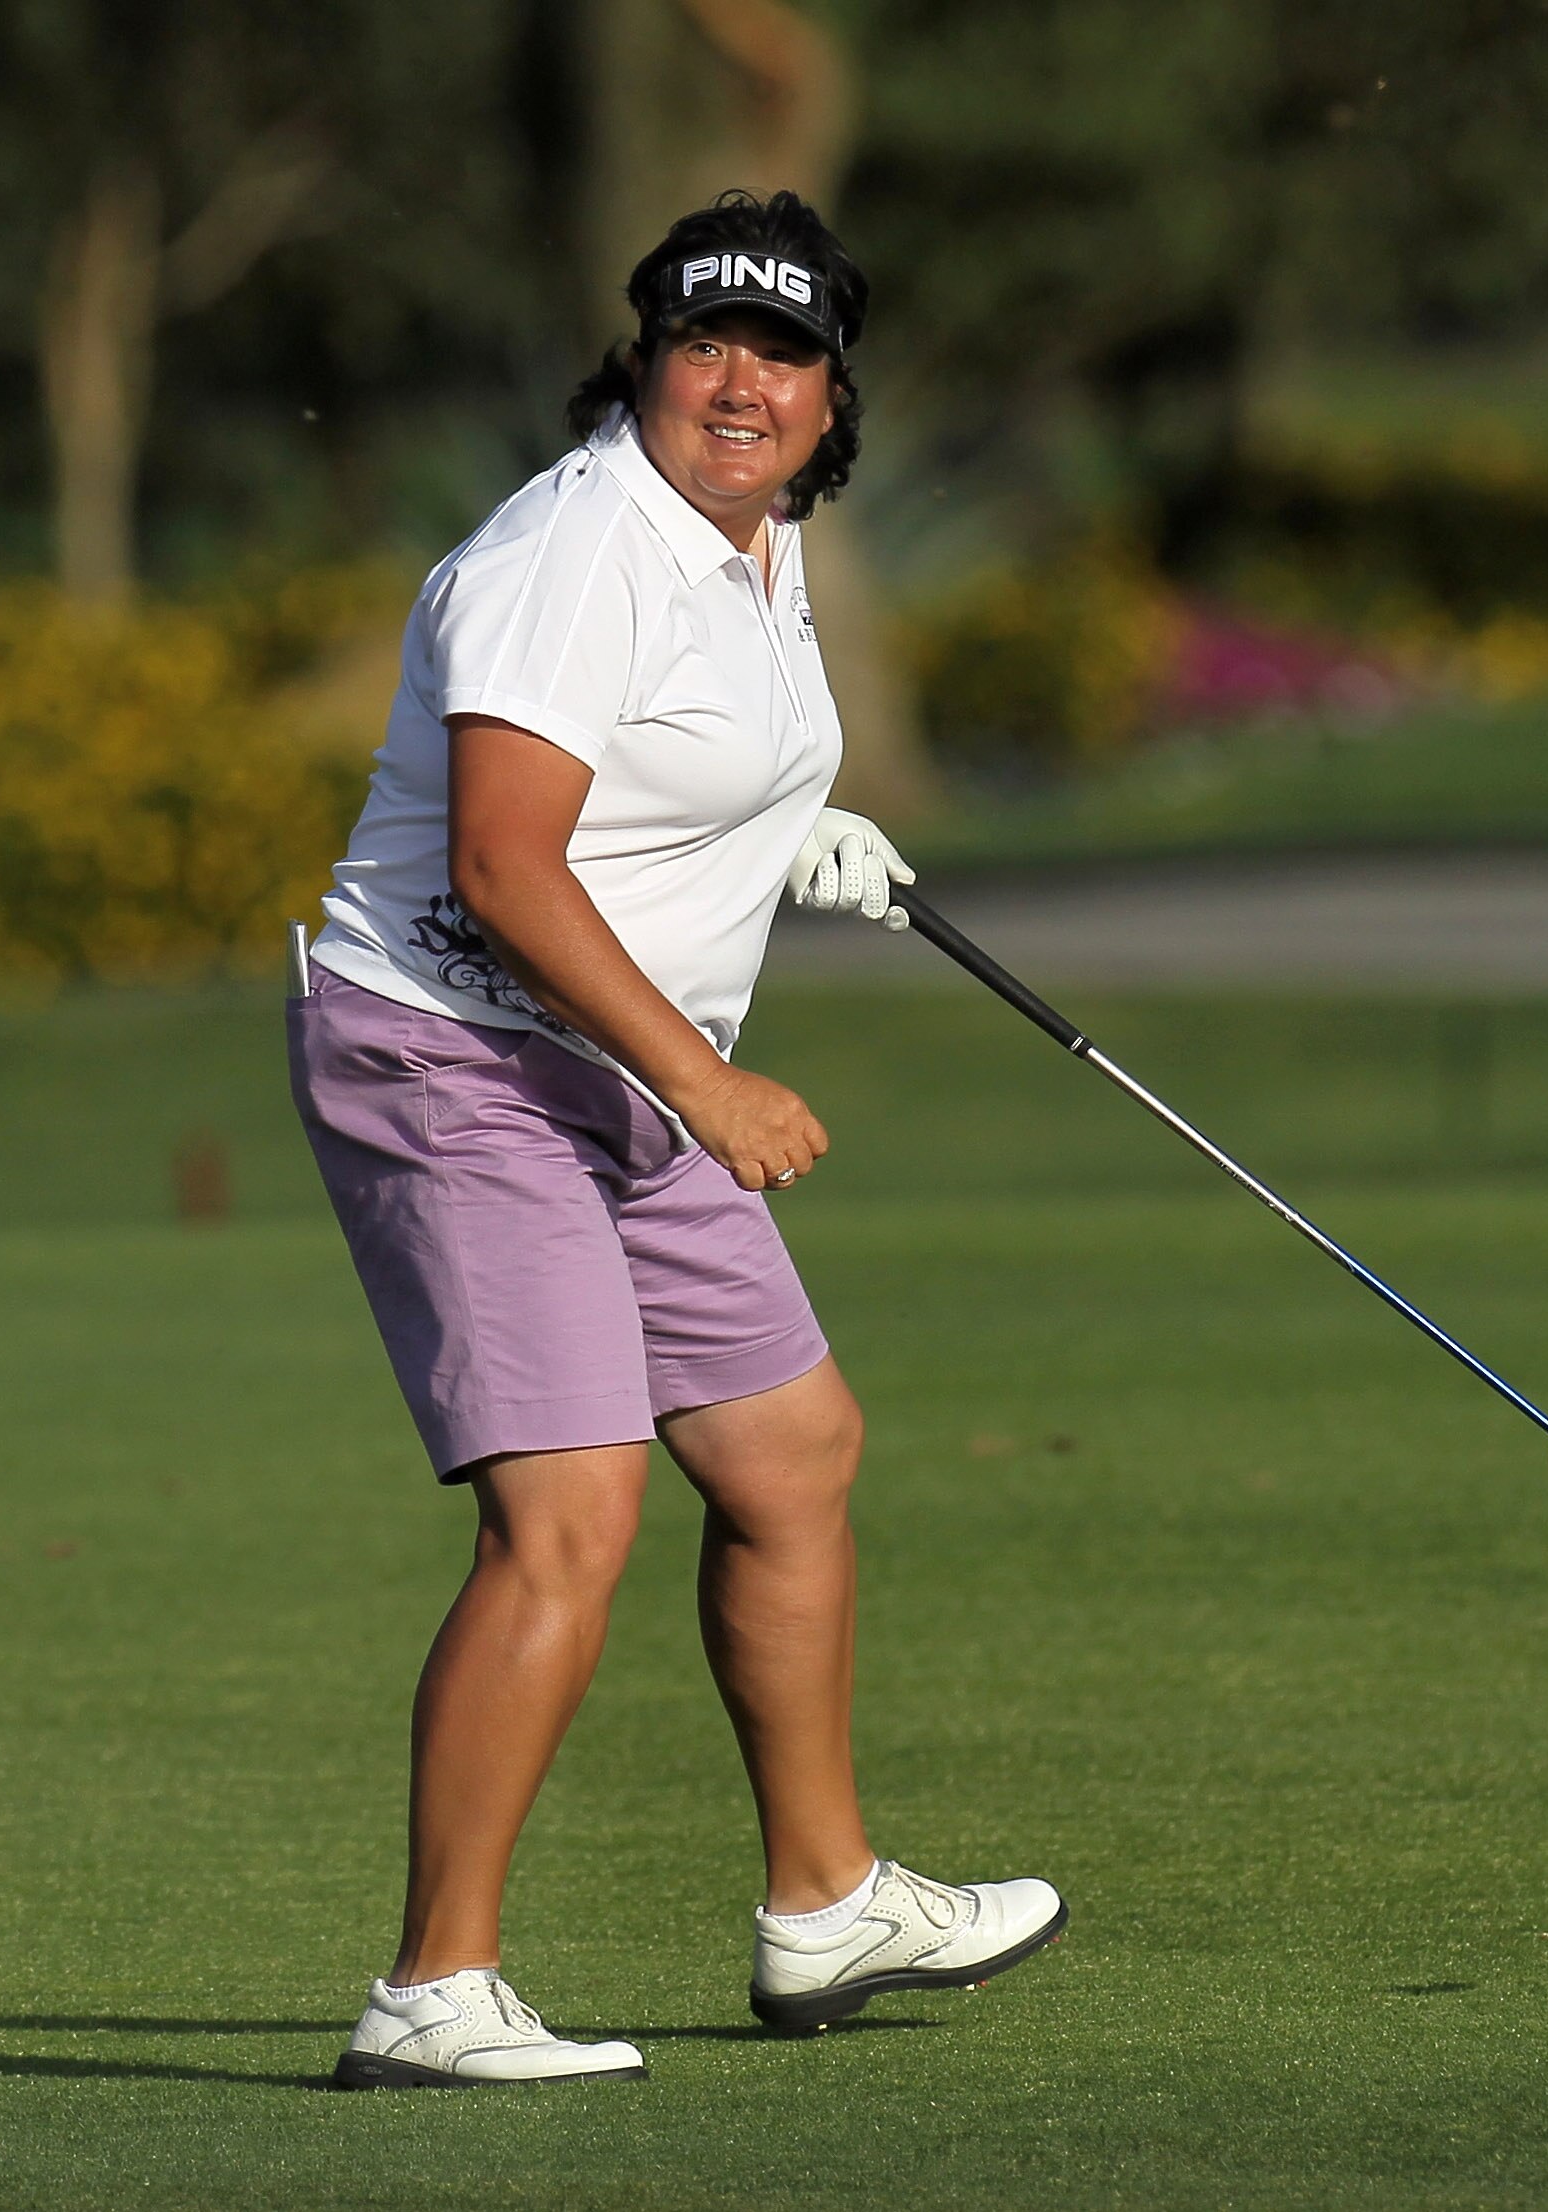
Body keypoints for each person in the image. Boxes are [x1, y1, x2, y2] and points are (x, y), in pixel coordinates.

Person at [290, 190, 1065, 2090]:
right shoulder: (579, 551)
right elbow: (495, 863)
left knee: (792, 1452)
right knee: (571, 1521)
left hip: (610, 1072)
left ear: (829, 393)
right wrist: (709, 1084)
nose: (743, 381)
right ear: (644, 356)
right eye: (707, 341)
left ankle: (827, 1903)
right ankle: (431, 1992)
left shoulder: (765, 538)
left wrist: (779, 830)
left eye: (784, 354)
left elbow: (677, 759)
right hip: (459, 1057)